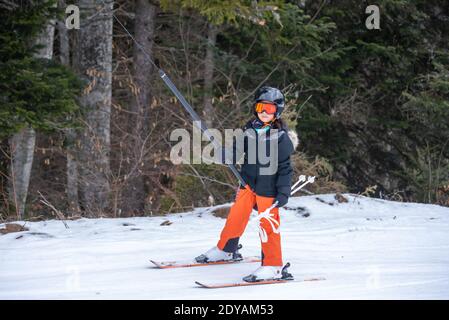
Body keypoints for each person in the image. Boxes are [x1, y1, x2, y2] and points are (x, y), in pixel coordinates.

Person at [195, 86, 298, 282]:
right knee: (235, 217)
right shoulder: (249, 129)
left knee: (267, 226)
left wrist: (284, 192)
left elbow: (286, 168)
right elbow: (237, 150)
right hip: (248, 183)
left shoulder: (281, 138)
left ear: (278, 112)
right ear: (255, 108)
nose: (265, 113)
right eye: (261, 107)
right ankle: (226, 249)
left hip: (269, 189)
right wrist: (227, 156)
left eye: (270, 109)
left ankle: (273, 265)